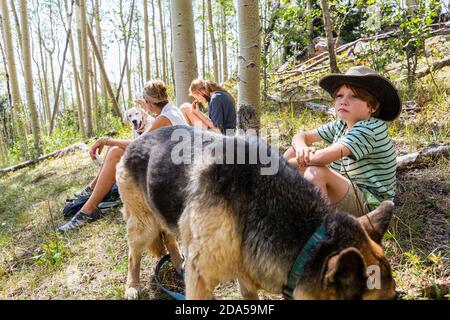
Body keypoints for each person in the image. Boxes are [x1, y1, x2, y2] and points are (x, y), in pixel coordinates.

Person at [58, 80, 188, 231]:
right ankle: (91, 195)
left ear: (149, 103)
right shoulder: (171, 111)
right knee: (116, 150)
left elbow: (137, 144)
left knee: (115, 151)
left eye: (146, 103)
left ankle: (87, 209)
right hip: (175, 165)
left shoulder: (165, 118)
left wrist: (106, 140)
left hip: (178, 176)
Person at [284, 66, 401, 217]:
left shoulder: (370, 128)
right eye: (339, 95)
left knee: (316, 172)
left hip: (370, 206)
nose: (344, 102)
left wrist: (279, 166)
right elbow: (301, 136)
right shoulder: (341, 124)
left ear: (372, 107)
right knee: (295, 150)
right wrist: (301, 148)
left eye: (354, 96)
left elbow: (320, 159)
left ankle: (323, 231)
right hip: (347, 190)